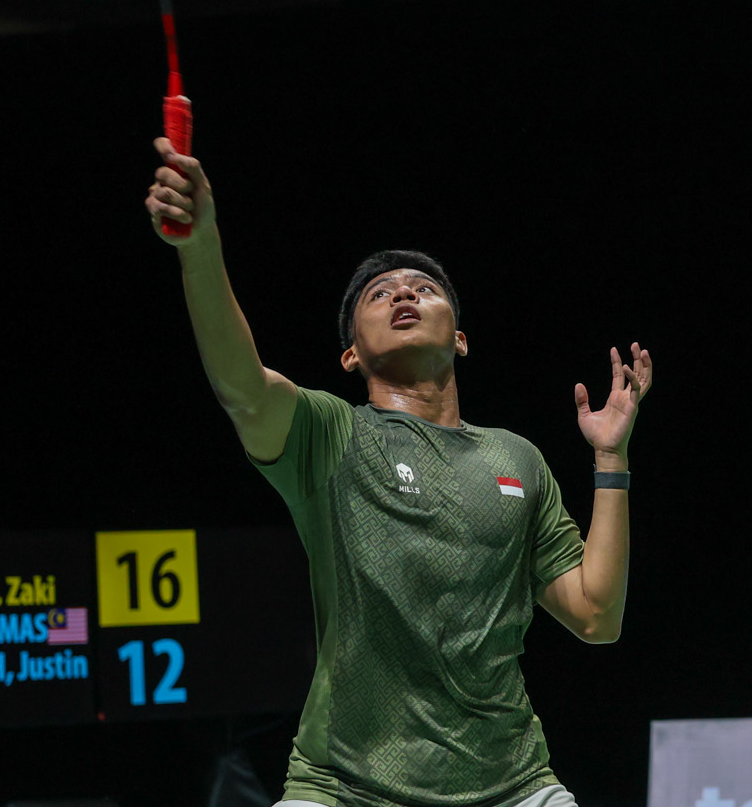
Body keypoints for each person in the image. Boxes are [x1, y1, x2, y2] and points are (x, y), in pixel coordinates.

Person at [144, 136, 652, 807]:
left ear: (460, 338)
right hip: (342, 785)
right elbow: (242, 384)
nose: (404, 292)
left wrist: (610, 460)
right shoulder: (331, 436)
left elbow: (597, 615)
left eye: (425, 288)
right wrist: (200, 244)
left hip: (510, 785)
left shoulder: (516, 459)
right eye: (379, 293)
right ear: (351, 355)